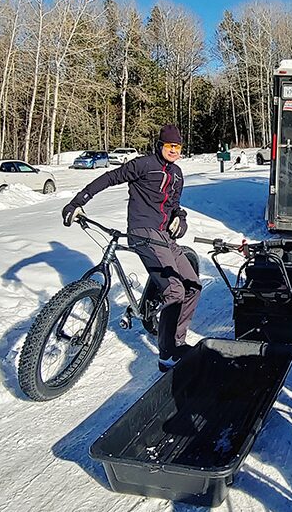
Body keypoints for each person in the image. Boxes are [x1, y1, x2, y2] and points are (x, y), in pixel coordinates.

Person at [61, 124, 201, 373]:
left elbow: (175, 204)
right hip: (143, 231)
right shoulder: (143, 165)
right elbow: (109, 178)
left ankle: (177, 342)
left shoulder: (178, 174)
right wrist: (78, 202)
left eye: (178, 147)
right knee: (175, 291)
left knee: (192, 285)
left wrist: (181, 217)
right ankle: (167, 354)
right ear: (160, 146)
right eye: (170, 146)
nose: (174, 150)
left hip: (165, 236)